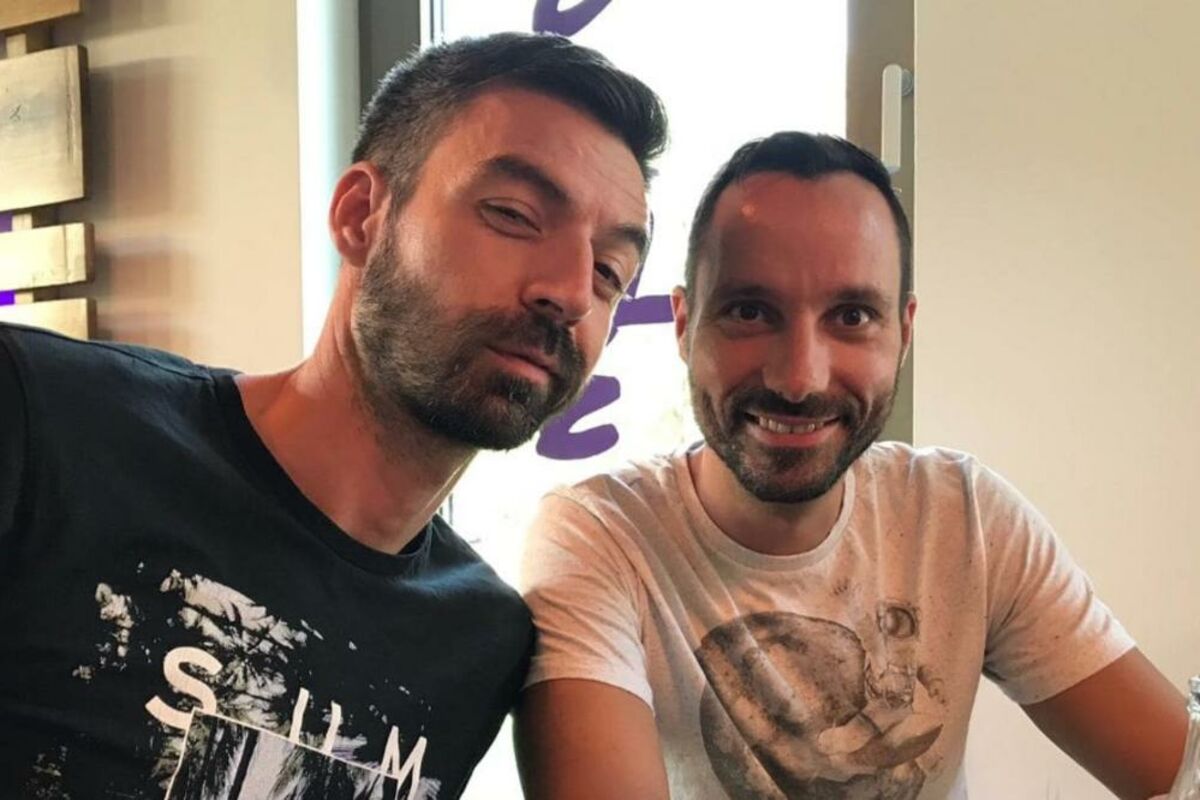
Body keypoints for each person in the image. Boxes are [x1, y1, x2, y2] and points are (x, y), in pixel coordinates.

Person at [0, 32, 666, 798]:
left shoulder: (479, 640)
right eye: (513, 215)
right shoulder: (46, 419)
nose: (572, 292)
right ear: (361, 216)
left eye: (610, 271)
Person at [515, 132, 1186, 800]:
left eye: (853, 316)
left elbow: (1181, 770)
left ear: (904, 333)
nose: (799, 378)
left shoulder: (964, 519)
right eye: (750, 312)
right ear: (685, 325)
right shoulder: (601, 537)